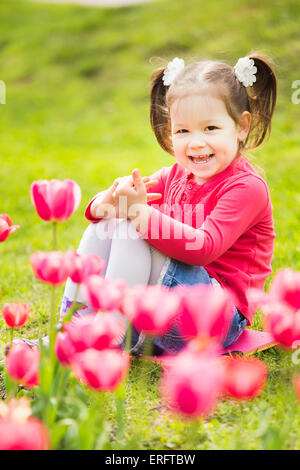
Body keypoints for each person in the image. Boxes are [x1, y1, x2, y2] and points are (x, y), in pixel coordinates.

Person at [60, 52, 277, 355]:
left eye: (210, 128)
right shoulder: (175, 175)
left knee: (134, 229)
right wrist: (108, 202)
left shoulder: (247, 188)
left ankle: (109, 340)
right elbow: (112, 212)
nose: (196, 142)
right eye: (183, 131)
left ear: (241, 127)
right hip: (170, 307)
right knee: (111, 226)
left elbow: (204, 247)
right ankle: (72, 330)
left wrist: (138, 213)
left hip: (214, 320)